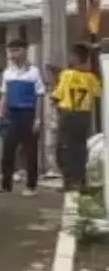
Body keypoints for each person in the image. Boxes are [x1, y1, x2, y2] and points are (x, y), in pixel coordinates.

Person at [0, 39, 43, 196]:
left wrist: (38, 119)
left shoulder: (34, 72)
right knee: (8, 150)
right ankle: (5, 185)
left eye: (16, 50)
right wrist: (0, 112)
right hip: (12, 115)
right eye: (11, 51)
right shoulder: (8, 73)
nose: (13, 54)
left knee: (30, 152)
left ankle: (31, 186)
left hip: (28, 113)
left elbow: (40, 96)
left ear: (25, 50)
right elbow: (5, 94)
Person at [52, 43, 101, 191]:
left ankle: (68, 180)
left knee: (63, 148)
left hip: (68, 114)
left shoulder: (66, 75)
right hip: (84, 115)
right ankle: (81, 179)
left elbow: (56, 97)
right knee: (80, 148)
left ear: (74, 57)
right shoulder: (92, 78)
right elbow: (98, 95)